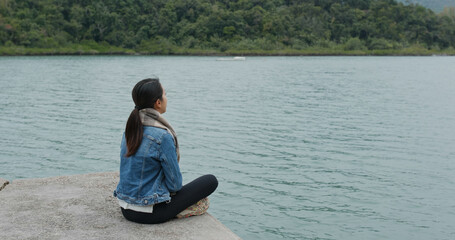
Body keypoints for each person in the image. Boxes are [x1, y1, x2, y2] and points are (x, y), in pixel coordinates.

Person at [114, 78, 218, 224]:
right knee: (210, 181)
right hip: (151, 213)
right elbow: (175, 185)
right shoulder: (162, 136)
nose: (166, 98)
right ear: (158, 102)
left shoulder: (130, 129)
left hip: (126, 209)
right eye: (165, 94)